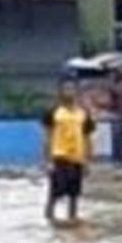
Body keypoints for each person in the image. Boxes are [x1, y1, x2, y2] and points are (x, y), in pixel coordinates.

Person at [42, 76, 96, 225]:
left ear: (77, 92)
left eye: (72, 89)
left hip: (77, 157)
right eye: (66, 89)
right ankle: (50, 216)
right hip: (59, 156)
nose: (69, 92)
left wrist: (88, 160)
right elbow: (47, 137)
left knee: (74, 192)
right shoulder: (53, 112)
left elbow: (87, 138)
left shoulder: (83, 113)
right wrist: (47, 161)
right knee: (56, 190)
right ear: (60, 92)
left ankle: (72, 217)